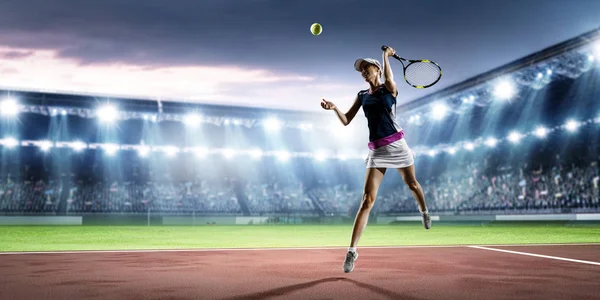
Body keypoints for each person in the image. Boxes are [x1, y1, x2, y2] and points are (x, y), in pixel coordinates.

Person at [320, 46, 431, 273]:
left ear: (377, 69)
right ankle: (352, 251)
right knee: (366, 200)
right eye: (361, 70)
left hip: (398, 146)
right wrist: (334, 108)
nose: (363, 71)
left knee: (412, 184)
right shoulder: (362, 96)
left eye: (366, 68)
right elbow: (346, 120)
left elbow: (389, 78)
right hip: (377, 151)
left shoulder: (389, 89)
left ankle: (424, 212)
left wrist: (386, 56)